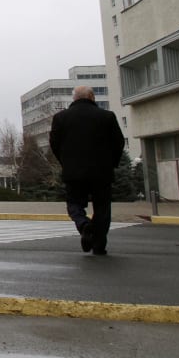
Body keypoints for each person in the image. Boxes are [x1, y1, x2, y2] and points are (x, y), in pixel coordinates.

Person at [49, 86, 126, 255]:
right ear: (92, 97)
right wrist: (111, 163)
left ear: (74, 99)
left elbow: (54, 144)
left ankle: (84, 225)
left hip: (73, 172)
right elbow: (118, 142)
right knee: (102, 208)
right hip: (102, 172)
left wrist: (65, 162)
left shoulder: (61, 118)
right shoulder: (107, 116)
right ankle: (99, 246)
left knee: (74, 203)